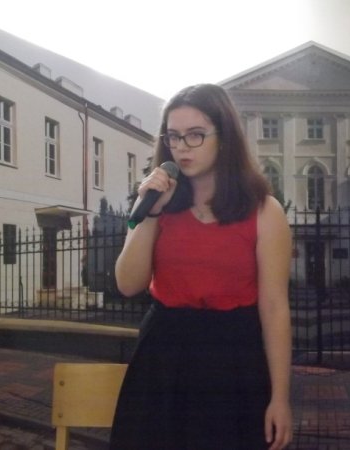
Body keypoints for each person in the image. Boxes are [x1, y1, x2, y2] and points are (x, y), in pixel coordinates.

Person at [111, 83, 293, 450]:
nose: (181, 147)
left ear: (224, 138)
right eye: (174, 136)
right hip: (163, 357)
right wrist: (151, 213)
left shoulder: (264, 210)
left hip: (233, 359)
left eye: (195, 135)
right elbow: (128, 284)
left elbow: (274, 308)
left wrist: (280, 397)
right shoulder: (155, 203)